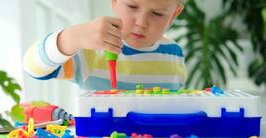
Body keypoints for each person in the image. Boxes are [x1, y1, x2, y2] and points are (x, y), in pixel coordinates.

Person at [23, 0, 187, 90]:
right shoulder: (91, 52)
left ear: (174, 14)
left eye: (157, 13)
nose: (141, 22)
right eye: (132, 6)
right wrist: (71, 37)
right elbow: (32, 68)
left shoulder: (175, 54)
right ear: (114, 1)